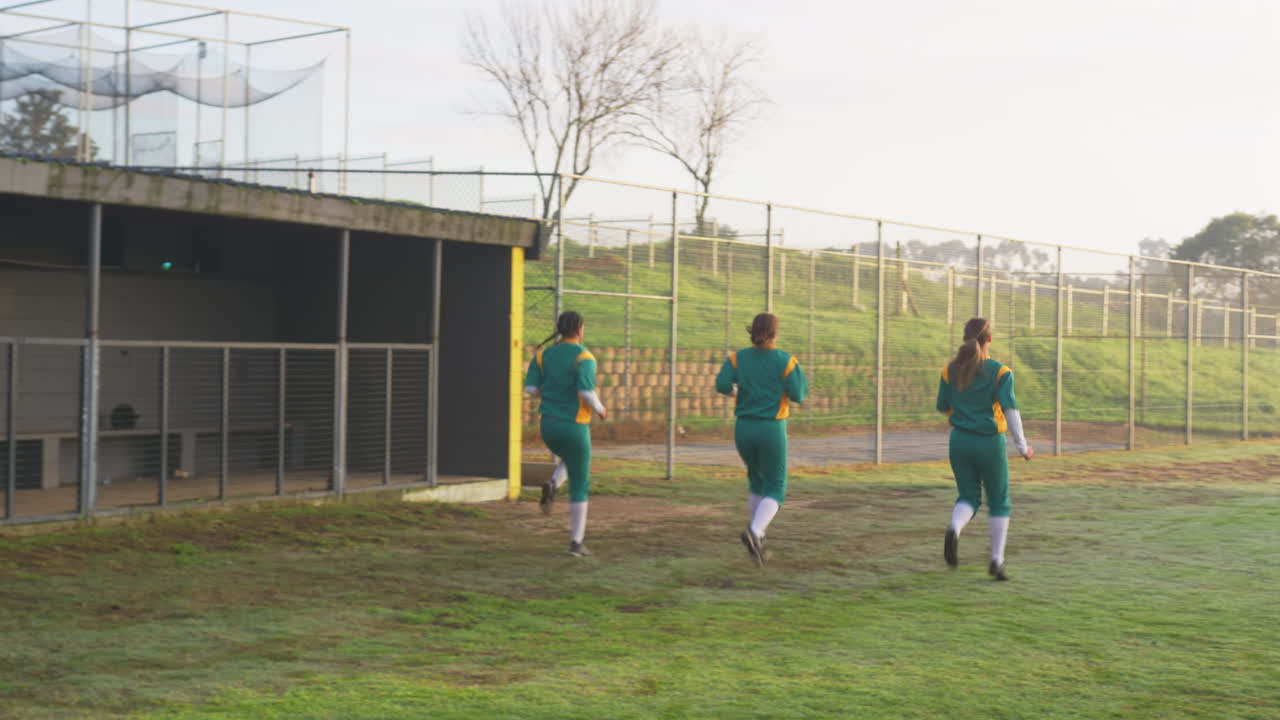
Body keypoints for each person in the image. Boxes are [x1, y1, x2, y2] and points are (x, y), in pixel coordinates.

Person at [936, 317, 1032, 581]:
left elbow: (944, 406)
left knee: (968, 496)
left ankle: (955, 529)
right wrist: (1022, 445)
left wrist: (965, 410)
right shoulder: (1000, 372)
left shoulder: (949, 370)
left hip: (959, 442)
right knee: (999, 501)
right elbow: (1010, 409)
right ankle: (996, 561)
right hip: (989, 442)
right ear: (989, 339)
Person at [715, 312, 808, 568]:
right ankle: (755, 532)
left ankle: (759, 536)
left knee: (756, 480)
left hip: (743, 428)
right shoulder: (785, 360)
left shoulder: (737, 358)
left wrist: (737, 390)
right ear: (775, 334)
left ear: (752, 332)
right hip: (771, 428)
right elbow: (799, 394)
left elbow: (722, 384)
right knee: (776, 487)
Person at [524, 311, 606, 557]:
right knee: (580, 483)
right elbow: (586, 394)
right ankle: (576, 544)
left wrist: (550, 397)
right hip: (575, 425)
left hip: (548, 425)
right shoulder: (585, 357)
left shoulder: (543, 355)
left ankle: (553, 483)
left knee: (569, 458)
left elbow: (530, 389)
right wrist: (601, 409)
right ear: (580, 330)